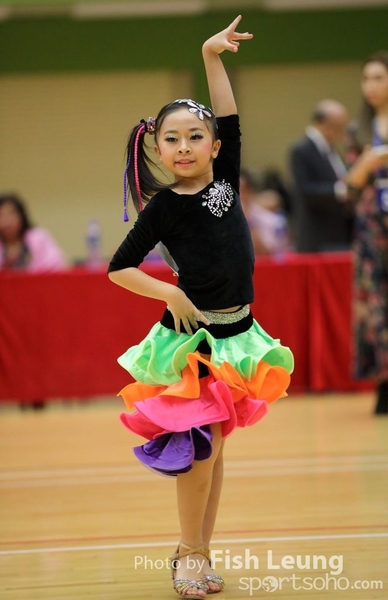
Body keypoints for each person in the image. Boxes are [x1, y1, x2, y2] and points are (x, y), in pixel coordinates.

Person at [108, 16, 294, 599]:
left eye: (195, 136)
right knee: (200, 453)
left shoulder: (226, 180)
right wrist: (170, 292)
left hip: (237, 334)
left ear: (215, 146)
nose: (184, 146)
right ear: (157, 148)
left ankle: (199, 553)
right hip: (195, 343)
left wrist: (212, 57)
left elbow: (228, 113)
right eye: (173, 138)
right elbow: (119, 267)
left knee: (213, 453)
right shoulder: (163, 208)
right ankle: (188, 555)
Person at [345, 51, 388, 416]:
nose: (371, 86)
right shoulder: (358, 131)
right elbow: (350, 186)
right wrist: (367, 163)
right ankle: (382, 385)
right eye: (366, 78)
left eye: (378, 78)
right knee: (377, 303)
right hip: (372, 229)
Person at [289, 99, 355, 253]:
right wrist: (343, 191)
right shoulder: (301, 150)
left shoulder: (332, 149)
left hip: (338, 233)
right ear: (325, 124)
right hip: (316, 236)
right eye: (339, 126)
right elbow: (306, 191)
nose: (342, 132)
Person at [0, 193, 66, 272]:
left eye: (11, 215)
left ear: (21, 216)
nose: (7, 222)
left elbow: (56, 267)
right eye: (1, 216)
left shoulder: (39, 237)